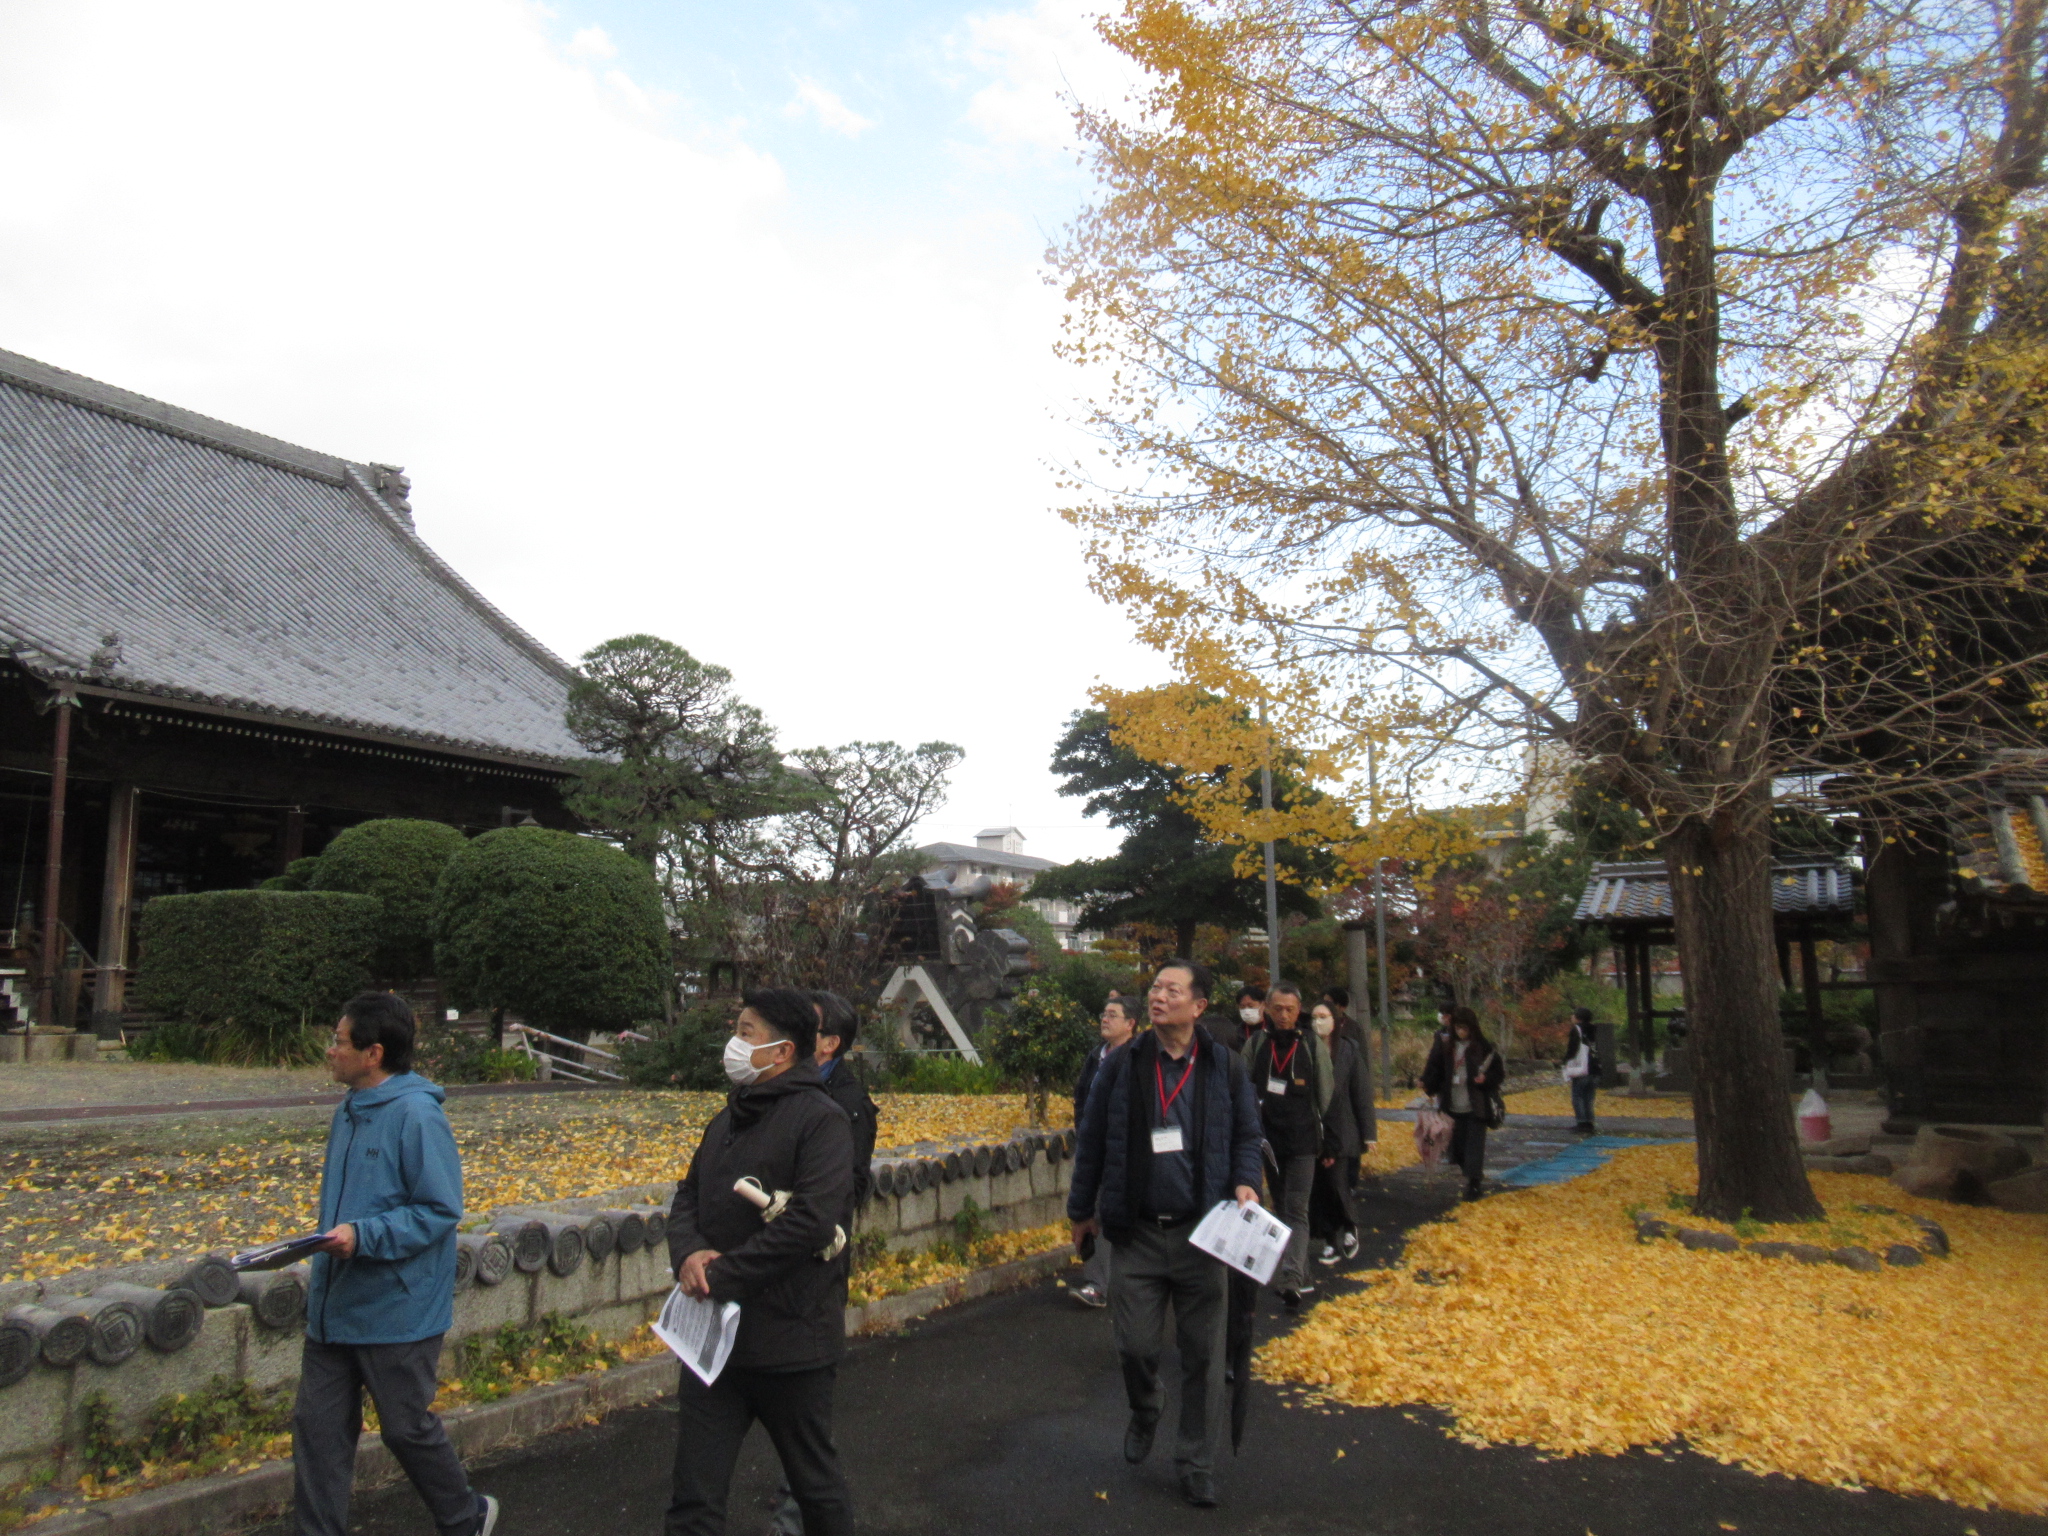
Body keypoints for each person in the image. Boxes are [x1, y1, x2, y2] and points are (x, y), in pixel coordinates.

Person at [293, 992, 496, 1536]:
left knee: (405, 1429)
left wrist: (363, 1237)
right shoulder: (349, 1109)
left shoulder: (417, 1115)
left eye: (339, 1041)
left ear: (372, 1053)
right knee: (317, 1433)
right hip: (335, 1305)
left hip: (397, 1309)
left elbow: (439, 1210)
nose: (330, 1050)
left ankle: (465, 1516)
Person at [1067, 958, 1263, 1509]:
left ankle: (1195, 1461)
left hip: (1205, 1234)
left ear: (1198, 1006)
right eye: (1154, 987)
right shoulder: (1123, 1066)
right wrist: (1081, 1211)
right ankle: (1146, 1403)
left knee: (1203, 1355)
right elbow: (1094, 1141)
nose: (1157, 997)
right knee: (1135, 1346)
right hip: (1137, 1234)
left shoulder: (1224, 1067)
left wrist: (1247, 1182)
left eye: (1171, 990)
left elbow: (1248, 1134)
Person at [665, 989, 856, 1536]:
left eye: (746, 1032)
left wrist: (721, 1275)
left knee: (815, 1488)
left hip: (791, 1340)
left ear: (782, 1051)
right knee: (694, 1497)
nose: (734, 1042)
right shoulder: (726, 1119)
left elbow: (811, 1223)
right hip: (714, 1344)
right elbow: (688, 1195)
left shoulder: (822, 1121)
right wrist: (688, 1255)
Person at [1240, 981, 1331, 1308]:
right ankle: (1301, 1271)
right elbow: (1243, 1084)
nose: (1283, 1014)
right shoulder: (1257, 1043)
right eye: (1277, 1008)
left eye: (1290, 1009)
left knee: (1296, 1207)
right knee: (1279, 1207)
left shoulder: (1310, 1044)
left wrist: (1325, 1135)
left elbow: (1325, 1091)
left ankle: (1291, 1275)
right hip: (1267, 1139)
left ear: (1299, 1010)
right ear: (1267, 1008)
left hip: (1303, 1138)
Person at [1069, 993, 1141, 1307]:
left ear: (1131, 1023)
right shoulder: (1095, 1056)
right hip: (1097, 1148)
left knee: (1122, 1215)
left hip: (1128, 1151)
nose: (1105, 1019)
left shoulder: (1138, 1058)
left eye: (1113, 1014)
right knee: (1095, 1212)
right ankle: (1097, 1284)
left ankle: (1128, 1282)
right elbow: (1082, 1096)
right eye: (1104, 1013)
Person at [1308, 1001, 1376, 1267]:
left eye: (1323, 1017)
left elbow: (1361, 1094)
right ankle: (1328, 1239)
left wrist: (1369, 1134)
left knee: (1337, 1182)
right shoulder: (1306, 1048)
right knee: (1318, 1189)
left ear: (1335, 1021)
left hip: (1343, 1130)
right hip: (1313, 1131)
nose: (1318, 1022)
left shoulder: (1348, 1050)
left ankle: (1349, 1225)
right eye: (1314, 1017)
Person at [1420, 1005, 1505, 1201]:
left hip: (1476, 1105)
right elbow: (1436, 1068)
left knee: (1474, 1146)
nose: (1461, 1032)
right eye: (1458, 1028)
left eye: (1465, 1028)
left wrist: (1486, 1080)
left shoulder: (1483, 1047)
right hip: (1452, 1104)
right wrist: (1427, 1083)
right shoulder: (1447, 1046)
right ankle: (1469, 1172)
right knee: (1456, 1149)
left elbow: (1498, 1072)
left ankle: (1474, 1183)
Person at [1562, 1006, 1601, 1133]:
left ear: (1578, 1017)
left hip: (1582, 1068)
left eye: (1573, 1015)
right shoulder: (1595, 1030)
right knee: (1589, 1097)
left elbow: (1573, 1049)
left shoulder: (1577, 1029)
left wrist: (1565, 1061)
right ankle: (1590, 1123)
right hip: (1595, 1068)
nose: (1571, 1017)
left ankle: (1581, 1122)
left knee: (1578, 1096)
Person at [1225, 984, 1267, 1050]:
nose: (1247, 1011)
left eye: (1251, 1006)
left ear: (1263, 1005)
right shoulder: (1235, 1034)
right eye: (1242, 1007)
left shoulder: (1272, 1030)